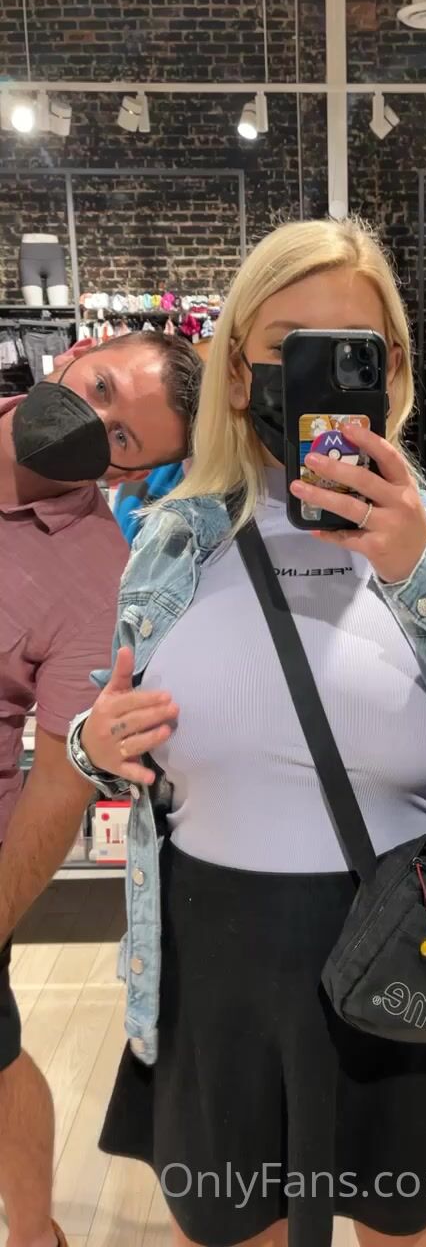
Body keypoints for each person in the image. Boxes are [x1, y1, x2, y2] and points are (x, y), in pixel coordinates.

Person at [69, 220, 426, 1247]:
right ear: (235, 375)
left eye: (355, 350)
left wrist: (421, 569)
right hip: (211, 969)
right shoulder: (172, 542)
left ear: (390, 371)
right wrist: (95, 740)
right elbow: (124, 733)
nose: (322, 375)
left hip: (406, 948)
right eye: (291, 346)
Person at [0, 329, 202, 1247]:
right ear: (77, 353)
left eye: (122, 438)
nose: (92, 419)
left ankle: (33, 1233)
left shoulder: (96, 580)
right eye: (103, 386)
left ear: (128, 474)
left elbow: (60, 782)